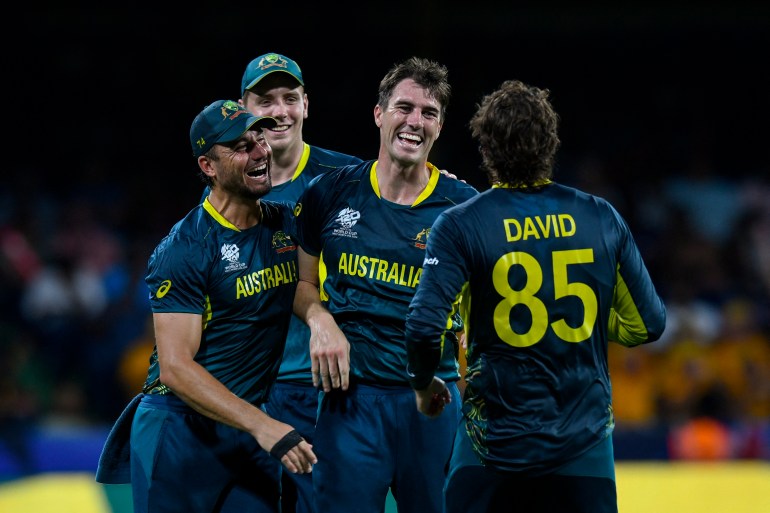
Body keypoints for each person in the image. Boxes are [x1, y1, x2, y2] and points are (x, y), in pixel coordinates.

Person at [404, 79, 667, 513]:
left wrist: (422, 385)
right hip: (584, 450)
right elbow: (649, 323)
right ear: (551, 145)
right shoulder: (601, 217)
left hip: (493, 449)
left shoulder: (460, 225)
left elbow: (423, 327)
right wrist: (586, 323)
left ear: (485, 150)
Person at [96, 99, 316, 513]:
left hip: (247, 431)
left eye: (259, 138)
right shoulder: (185, 248)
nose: (260, 151)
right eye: (240, 146)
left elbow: (351, 210)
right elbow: (176, 367)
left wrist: (426, 175)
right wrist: (264, 425)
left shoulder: (286, 224)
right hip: (181, 429)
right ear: (209, 166)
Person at [292, 56, 479, 513]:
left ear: (439, 126)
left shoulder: (464, 207)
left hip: (433, 402)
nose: (415, 122)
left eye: (429, 113)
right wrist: (320, 320)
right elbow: (301, 282)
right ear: (379, 114)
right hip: (348, 403)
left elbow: (486, 311)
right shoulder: (330, 193)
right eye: (404, 108)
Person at [236, 52, 362, 513]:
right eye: (264, 100)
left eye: (290, 98)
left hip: (325, 390)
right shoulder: (229, 185)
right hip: (248, 393)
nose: (279, 111)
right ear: (242, 108)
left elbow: (414, 207)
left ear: (307, 105)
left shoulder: (350, 179)